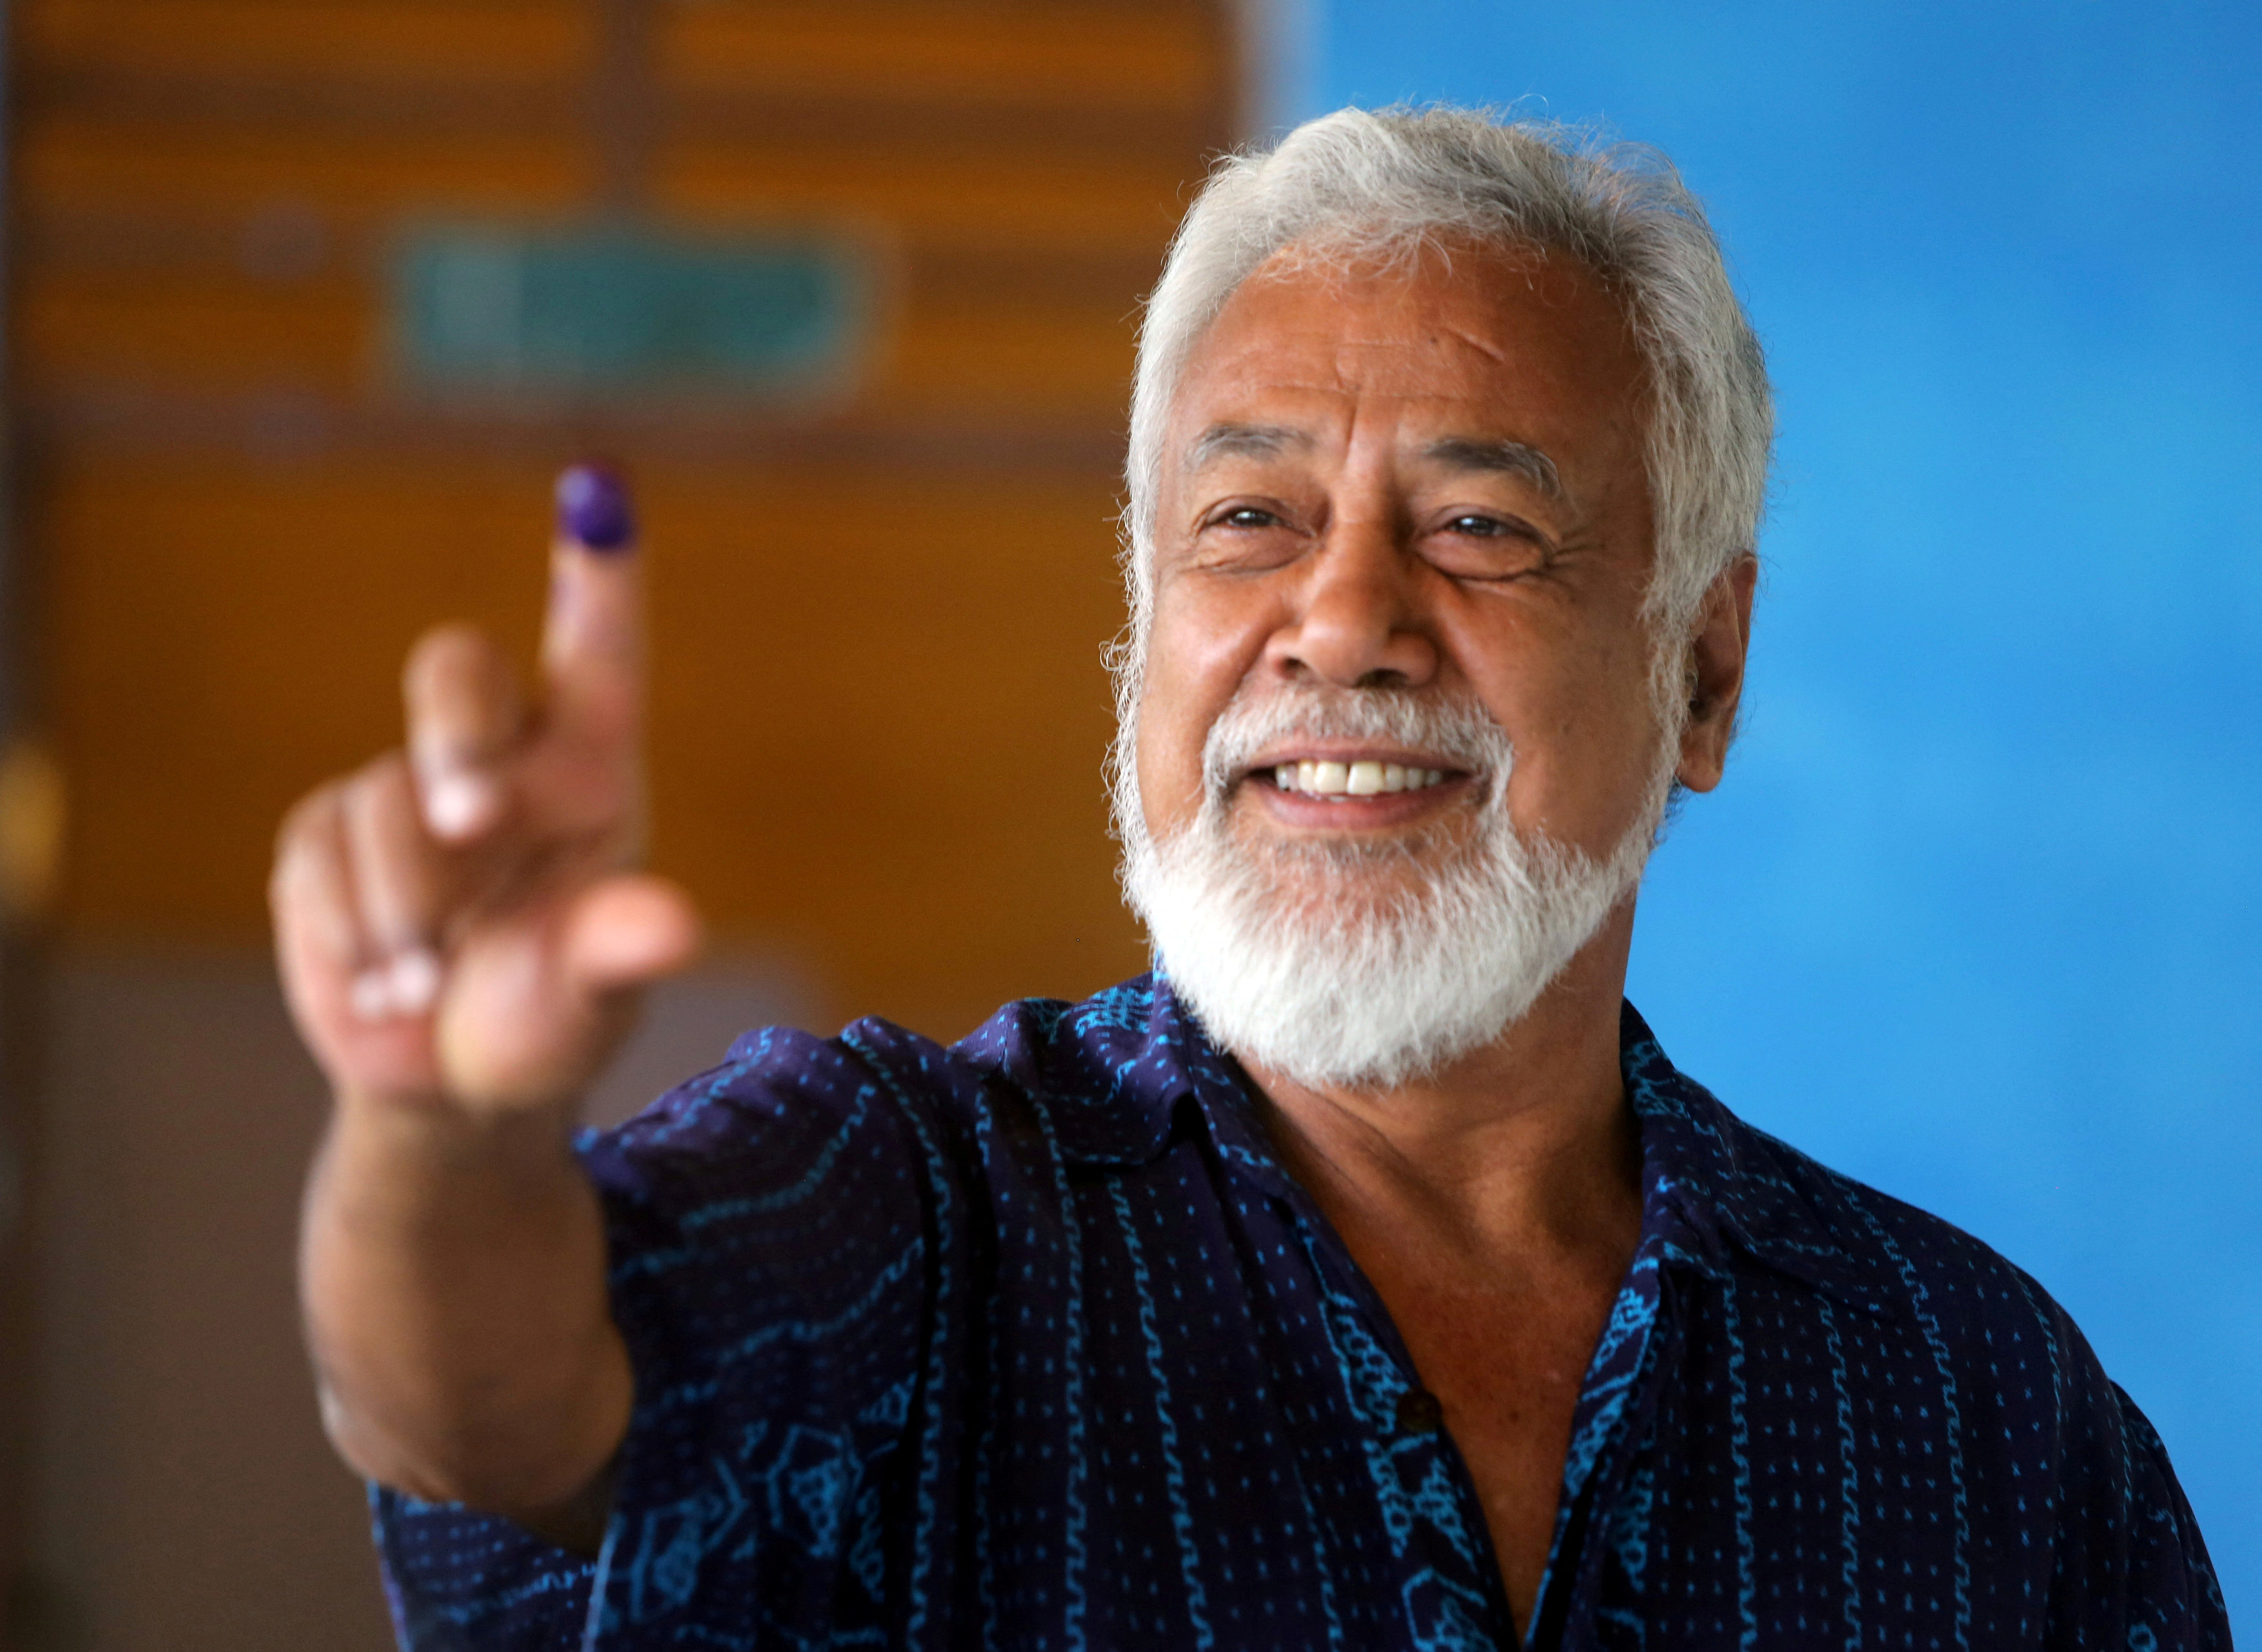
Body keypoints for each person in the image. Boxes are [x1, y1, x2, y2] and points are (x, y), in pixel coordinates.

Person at [272, 108, 2228, 1650]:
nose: (1341, 617)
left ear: (1699, 670)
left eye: (1476, 524)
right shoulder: (909, 1210)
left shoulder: (1976, 1412)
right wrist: (436, 1129)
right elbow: (495, 1404)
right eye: (1245, 519)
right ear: (1143, 628)